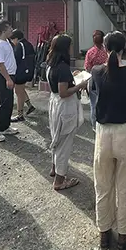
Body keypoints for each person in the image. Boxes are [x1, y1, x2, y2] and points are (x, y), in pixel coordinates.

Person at [91, 31, 126, 250]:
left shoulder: (95, 72)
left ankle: (104, 233)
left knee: (103, 184)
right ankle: (125, 235)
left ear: (104, 47)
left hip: (103, 134)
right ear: (124, 48)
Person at [47, 34, 87, 191]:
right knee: (64, 142)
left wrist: (72, 76)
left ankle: (54, 168)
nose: (72, 48)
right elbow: (64, 92)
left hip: (54, 102)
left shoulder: (51, 62)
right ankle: (59, 180)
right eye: (70, 45)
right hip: (64, 105)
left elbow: (59, 85)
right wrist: (80, 85)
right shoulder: (62, 67)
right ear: (65, 48)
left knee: (56, 137)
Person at [10, 28, 36, 118]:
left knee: (18, 91)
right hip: (28, 71)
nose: (12, 42)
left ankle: (19, 114)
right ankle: (30, 106)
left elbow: (15, 60)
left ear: (16, 38)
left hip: (21, 72)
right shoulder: (28, 44)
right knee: (21, 89)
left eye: (12, 39)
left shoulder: (19, 46)